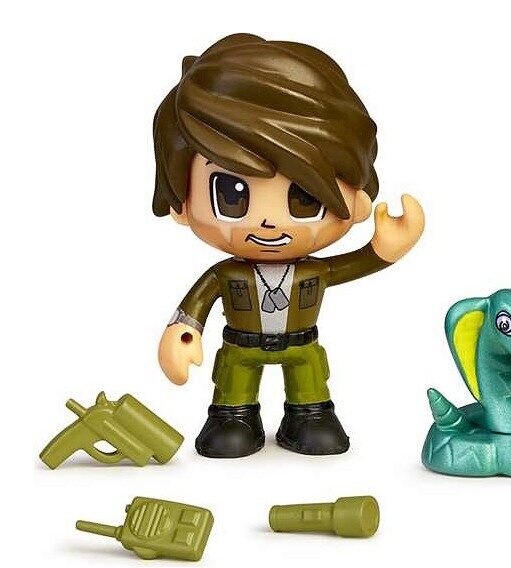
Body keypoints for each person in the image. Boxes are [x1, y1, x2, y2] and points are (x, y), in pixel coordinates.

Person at [153, 34, 425, 458]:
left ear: (357, 203)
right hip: (240, 346)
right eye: (231, 195)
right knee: (234, 391)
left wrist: (383, 250)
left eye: (304, 198)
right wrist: (183, 330)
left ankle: (310, 415)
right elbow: (198, 302)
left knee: (310, 384)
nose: (268, 222)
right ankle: (232, 416)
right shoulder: (227, 275)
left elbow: (351, 265)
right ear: (182, 205)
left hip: (303, 345)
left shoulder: (314, 272)